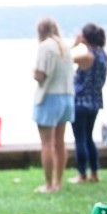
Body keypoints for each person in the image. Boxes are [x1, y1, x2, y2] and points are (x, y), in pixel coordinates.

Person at [32, 17, 74, 193]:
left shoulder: (45, 47)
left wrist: (34, 74)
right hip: (66, 97)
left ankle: (49, 185)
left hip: (50, 98)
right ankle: (58, 182)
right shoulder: (64, 46)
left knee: (47, 144)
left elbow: (40, 75)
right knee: (60, 143)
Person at [68, 23, 107, 183]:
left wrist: (75, 44)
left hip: (80, 102)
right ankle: (95, 172)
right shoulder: (102, 55)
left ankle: (82, 174)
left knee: (80, 139)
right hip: (95, 101)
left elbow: (64, 59)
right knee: (89, 137)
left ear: (85, 37)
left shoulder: (87, 57)